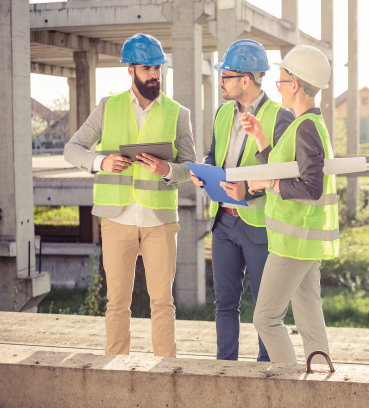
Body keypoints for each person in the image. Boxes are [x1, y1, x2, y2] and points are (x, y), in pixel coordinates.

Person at [64, 33, 196, 357]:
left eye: (158, 69)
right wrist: (101, 162)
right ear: (131, 70)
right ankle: (116, 373)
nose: (154, 75)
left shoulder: (179, 113)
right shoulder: (109, 107)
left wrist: (167, 171)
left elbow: (190, 167)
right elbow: (72, 149)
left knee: (162, 302)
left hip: (159, 222)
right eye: (148, 69)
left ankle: (166, 373)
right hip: (116, 218)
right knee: (117, 302)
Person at [190, 39, 294, 361]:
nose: (220, 82)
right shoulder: (223, 113)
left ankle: (265, 374)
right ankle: (226, 370)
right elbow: (213, 155)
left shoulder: (280, 118)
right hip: (223, 222)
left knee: (266, 309)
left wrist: (248, 190)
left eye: (226, 77)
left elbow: (283, 172)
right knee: (225, 305)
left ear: (245, 80)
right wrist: (204, 172)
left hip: (259, 225)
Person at [240, 45, 339, 363]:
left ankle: (289, 387)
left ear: (295, 85)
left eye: (280, 80)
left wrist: (267, 183)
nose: (277, 87)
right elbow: (287, 168)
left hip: (293, 242)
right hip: (303, 240)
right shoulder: (306, 124)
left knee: (265, 319)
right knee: (310, 316)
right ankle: (320, 379)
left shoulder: (305, 127)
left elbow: (311, 186)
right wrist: (261, 139)